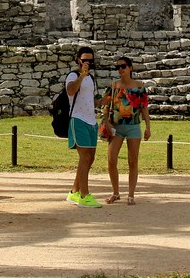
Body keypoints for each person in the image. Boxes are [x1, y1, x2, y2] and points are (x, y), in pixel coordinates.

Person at [101, 56, 151, 205]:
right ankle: (115, 192)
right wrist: (105, 121)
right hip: (116, 126)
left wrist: (148, 126)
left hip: (133, 126)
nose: (120, 70)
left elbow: (144, 107)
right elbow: (106, 105)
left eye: (123, 66)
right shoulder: (114, 85)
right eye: (118, 67)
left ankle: (131, 194)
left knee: (133, 160)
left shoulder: (139, 86)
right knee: (111, 159)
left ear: (131, 68)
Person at [65, 46, 102, 208]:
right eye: (84, 59)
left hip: (91, 121)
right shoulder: (73, 76)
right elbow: (71, 91)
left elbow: (89, 99)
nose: (87, 62)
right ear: (78, 60)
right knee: (84, 157)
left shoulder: (91, 78)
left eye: (90, 60)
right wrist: (82, 75)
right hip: (78, 119)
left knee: (90, 157)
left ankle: (74, 191)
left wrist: (103, 101)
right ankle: (84, 195)